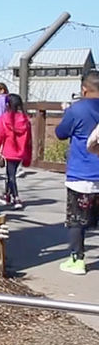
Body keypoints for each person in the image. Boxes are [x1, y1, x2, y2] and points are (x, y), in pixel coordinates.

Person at [55, 70, 99, 275]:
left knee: (76, 219)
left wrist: (67, 113)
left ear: (84, 88)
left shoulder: (77, 109)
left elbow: (61, 133)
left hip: (81, 173)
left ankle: (77, 259)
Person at [0, 93, 32, 209]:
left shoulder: (5, 118)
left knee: (10, 175)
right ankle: (7, 195)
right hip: (20, 150)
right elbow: (29, 138)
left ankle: (16, 198)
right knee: (11, 173)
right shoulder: (25, 119)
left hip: (9, 150)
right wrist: (28, 154)